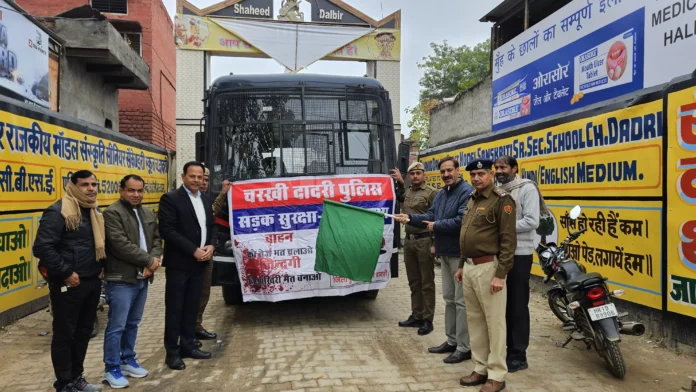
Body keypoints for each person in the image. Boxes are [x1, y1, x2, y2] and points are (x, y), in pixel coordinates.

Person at [394, 156, 474, 364]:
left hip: (459, 253)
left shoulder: (465, 192)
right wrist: (410, 218)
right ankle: (452, 340)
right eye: (443, 172)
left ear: (458, 171)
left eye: (450, 171)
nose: (446, 175)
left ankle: (464, 347)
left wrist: (435, 227)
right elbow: (430, 214)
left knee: (460, 302)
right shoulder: (443, 194)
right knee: (449, 300)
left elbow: (460, 221)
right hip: (445, 252)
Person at [33, 170, 105, 392]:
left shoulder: (93, 212)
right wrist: (66, 273)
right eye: (85, 184)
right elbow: (42, 247)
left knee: (84, 332)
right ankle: (64, 383)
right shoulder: (58, 212)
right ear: (73, 186)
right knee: (66, 333)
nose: (91, 188)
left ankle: (77, 378)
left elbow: (98, 245)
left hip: (91, 281)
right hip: (69, 283)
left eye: (94, 184)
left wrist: (100, 268)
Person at [456, 159, 516, 392]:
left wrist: (501, 274)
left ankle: (497, 375)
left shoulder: (502, 200)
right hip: (470, 268)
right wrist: (461, 264)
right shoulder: (472, 198)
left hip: (489, 268)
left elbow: (508, 240)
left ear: (491, 174)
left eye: (481, 173)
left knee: (495, 324)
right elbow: (466, 234)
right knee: (476, 321)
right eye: (473, 174)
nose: (476, 178)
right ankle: (480, 368)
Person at [102, 174, 163, 388]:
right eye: (131, 190)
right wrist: (150, 261)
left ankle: (128, 359)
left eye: (140, 190)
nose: (136, 194)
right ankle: (112, 368)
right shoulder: (112, 213)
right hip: (121, 278)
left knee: (133, 323)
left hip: (143, 277)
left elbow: (156, 238)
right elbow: (120, 244)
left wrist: (154, 260)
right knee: (116, 325)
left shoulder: (146, 212)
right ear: (121, 190)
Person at [158, 161, 218, 370]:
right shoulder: (171, 199)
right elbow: (167, 230)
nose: (196, 180)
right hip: (180, 263)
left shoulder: (205, 200)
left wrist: (211, 245)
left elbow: (211, 226)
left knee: (192, 307)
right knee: (175, 309)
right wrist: (193, 250)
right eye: (192, 176)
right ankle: (172, 352)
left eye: (200, 177)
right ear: (183, 176)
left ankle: (188, 345)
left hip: (201, 263)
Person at [495, 155, 547, 373]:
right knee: (502, 305)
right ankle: (504, 350)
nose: (499, 170)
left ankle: (519, 354)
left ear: (515, 168)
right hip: (500, 254)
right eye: (496, 167)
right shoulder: (497, 190)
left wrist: (502, 227)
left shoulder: (526, 189)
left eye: (504, 167)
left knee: (517, 305)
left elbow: (532, 221)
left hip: (520, 254)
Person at [392, 162, 438, 336]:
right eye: (412, 174)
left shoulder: (432, 193)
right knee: (414, 282)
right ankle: (416, 314)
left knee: (427, 282)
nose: (415, 176)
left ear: (424, 175)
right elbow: (401, 195)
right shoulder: (409, 191)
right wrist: (400, 182)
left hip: (424, 240)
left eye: (418, 173)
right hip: (409, 242)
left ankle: (427, 319)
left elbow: (436, 219)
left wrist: (435, 245)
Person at [194, 167, 218, 346]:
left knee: (203, 293)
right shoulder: (179, 200)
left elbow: (212, 222)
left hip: (206, 255)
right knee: (189, 296)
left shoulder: (205, 200)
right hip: (190, 256)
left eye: (205, 179)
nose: (202, 183)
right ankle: (187, 331)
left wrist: (211, 245)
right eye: (197, 178)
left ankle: (196, 326)